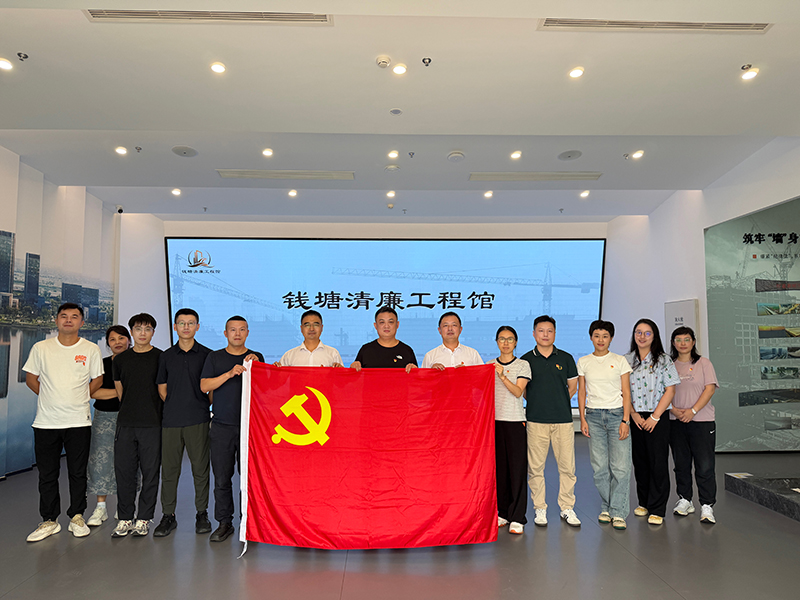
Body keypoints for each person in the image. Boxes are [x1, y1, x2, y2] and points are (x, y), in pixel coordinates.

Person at [23, 303, 104, 542]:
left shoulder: (90, 349)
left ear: (82, 322)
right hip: (46, 422)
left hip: (78, 421)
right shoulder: (41, 347)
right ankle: (50, 520)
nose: (69, 320)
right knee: (47, 474)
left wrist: (78, 397)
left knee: (78, 473)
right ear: (56, 320)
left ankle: (77, 516)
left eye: (74, 317)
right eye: (64, 316)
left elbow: (98, 380)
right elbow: (31, 379)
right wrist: (50, 398)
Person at [200, 316, 264, 542]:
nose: (237, 334)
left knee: (249, 479)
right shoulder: (214, 357)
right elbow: (204, 385)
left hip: (250, 428)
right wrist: (228, 374)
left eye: (242, 329)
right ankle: (224, 522)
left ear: (248, 332)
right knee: (222, 478)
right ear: (225, 333)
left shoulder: (255, 357)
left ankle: (249, 523)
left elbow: (265, 388)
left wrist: (259, 365)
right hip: (221, 427)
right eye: (233, 330)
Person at [155, 308, 212, 537]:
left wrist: (196, 406)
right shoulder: (166, 356)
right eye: (181, 323)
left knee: (200, 469)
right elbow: (162, 389)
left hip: (198, 419)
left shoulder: (208, 355)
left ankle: (202, 514)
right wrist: (176, 405)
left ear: (197, 327)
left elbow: (210, 390)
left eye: (190, 323)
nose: (186, 327)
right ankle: (168, 515)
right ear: (175, 327)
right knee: (170, 471)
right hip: (171, 421)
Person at [521, 315, 581, 529]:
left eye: (549, 331)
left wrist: (557, 402)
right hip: (536, 421)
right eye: (541, 330)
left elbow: (572, 387)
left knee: (567, 467)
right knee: (536, 468)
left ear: (555, 333)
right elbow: (524, 391)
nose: (545, 334)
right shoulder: (525, 360)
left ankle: (567, 507)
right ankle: (540, 508)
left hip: (563, 421)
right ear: (534, 333)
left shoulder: (566, 358)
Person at [577, 320, 633, 530]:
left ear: (611, 338)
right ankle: (607, 506)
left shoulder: (619, 361)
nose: (601, 340)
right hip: (593, 416)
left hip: (617, 415)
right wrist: (583, 418)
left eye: (605, 336)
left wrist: (625, 420)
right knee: (599, 468)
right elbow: (582, 392)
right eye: (597, 335)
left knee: (620, 467)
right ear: (591, 337)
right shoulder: (584, 361)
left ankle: (618, 511)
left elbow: (626, 392)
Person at [111, 313, 163, 537]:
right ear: (131, 332)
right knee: (124, 473)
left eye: (148, 329)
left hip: (152, 424)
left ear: (153, 332)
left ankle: (144, 518)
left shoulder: (161, 357)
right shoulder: (120, 360)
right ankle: (125, 518)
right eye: (138, 329)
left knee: (150, 474)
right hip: (126, 424)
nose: (143, 333)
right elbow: (120, 393)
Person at [625, 318, 679, 526]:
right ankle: (644, 502)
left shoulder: (664, 360)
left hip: (658, 416)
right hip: (635, 416)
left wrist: (655, 417)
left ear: (654, 336)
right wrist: (634, 414)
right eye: (638, 332)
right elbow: (623, 391)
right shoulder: (626, 360)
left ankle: (657, 508)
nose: (642, 336)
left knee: (658, 462)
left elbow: (670, 390)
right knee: (640, 461)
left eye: (647, 333)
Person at [669, 326, 719, 524]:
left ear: (693, 342)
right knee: (681, 464)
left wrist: (693, 411)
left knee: (705, 465)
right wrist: (673, 410)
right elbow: (663, 392)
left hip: (702, 421)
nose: (683, 343)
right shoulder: (669, 365)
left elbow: (709, 389)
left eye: (687, 339)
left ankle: (707, 505)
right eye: (678, 340)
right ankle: (685, 499)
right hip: (676, 421)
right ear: (673, 343)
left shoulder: (703, 363)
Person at [86, 325, 131, 527]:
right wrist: (122, 392)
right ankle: (101, 507)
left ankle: (124, 506)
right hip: (104, 417)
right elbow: (93, 392)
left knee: (128, 461)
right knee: (100, 460)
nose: (117, 342)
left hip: (131, 418)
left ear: (129, 340)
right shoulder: (102, 364)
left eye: (121, 338)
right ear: (108, 344)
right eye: (112, 339)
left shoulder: (137, 362)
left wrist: (113, 392)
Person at [489, 326, 531, 535]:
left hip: (515, 422)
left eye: (510, 339)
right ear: (496, 341)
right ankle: (503, 513)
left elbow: (517, 392)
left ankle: (518, 517)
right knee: (500, 470)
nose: (505, 343)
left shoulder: (523, 365)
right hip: (494, 423)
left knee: (517, 470)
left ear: (516, 342)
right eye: (502, 339)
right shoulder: (489, 365)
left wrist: (502, 376)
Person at [351, 307, 417, 371]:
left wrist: (415, 370)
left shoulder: (407, 351)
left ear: (397, 325)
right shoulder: (366, 350)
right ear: (375, 326)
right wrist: (353, 368)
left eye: (391, 322)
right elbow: (354, 376)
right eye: (382, 322)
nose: (386, 326)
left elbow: (416, 377)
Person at [276, 310, 343, 367]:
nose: (311, 329)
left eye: (315, 325)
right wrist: (275, 368)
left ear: (321, 328)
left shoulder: (333, 354)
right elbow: (279, 377)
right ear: (301, 329)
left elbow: (342, 377)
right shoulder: (289, 356)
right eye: (307, 325)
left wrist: (341, 370)